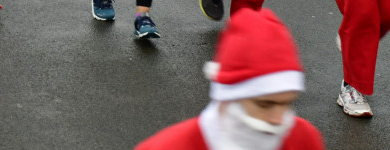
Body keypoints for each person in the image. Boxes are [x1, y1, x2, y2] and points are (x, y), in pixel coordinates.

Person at [136, 8, 324, 149]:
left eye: (287, 103)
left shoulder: (304, 139)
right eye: (264, 104)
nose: (279, 119)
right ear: (226, 98)